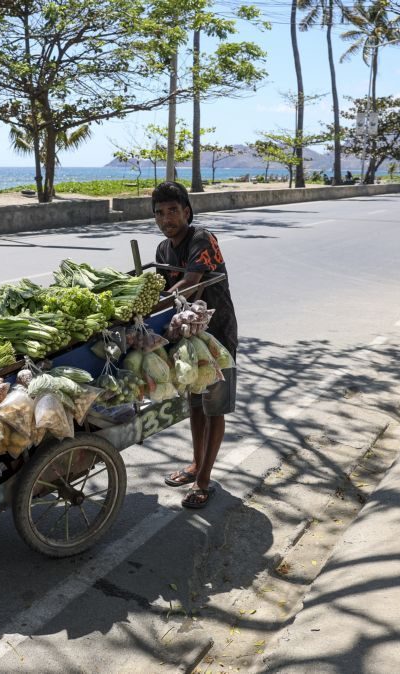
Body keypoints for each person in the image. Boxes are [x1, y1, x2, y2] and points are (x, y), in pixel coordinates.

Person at [153, 181, 239, 509]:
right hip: (188, 336)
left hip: (217, 335)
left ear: (186, 211)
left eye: (173, 210)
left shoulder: (203, 239)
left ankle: (204, 480)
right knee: (194, 402)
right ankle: (195, 463)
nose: (166, 218)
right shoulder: (163, 250)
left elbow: (190, 283)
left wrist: (152, 306)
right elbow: (159, 286)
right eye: (159, 213)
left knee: (213, 406)